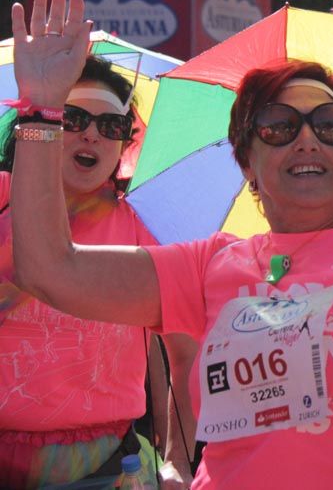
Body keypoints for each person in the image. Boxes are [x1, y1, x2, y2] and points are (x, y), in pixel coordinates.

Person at [9, 0, 333, 489]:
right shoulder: (210, 265)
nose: (307, 139)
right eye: (278, 126)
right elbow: (51, 271)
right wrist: (42, 111)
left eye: (330, 124)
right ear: (246, 161)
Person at [0, 47, 196, 489]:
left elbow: (185, 353)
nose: (92, 135)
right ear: (44, 122)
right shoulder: (3, 200)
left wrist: (177, 463)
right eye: (73, 119)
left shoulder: (145, 229)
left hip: (107, 468)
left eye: (111, 126)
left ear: (127, 142)